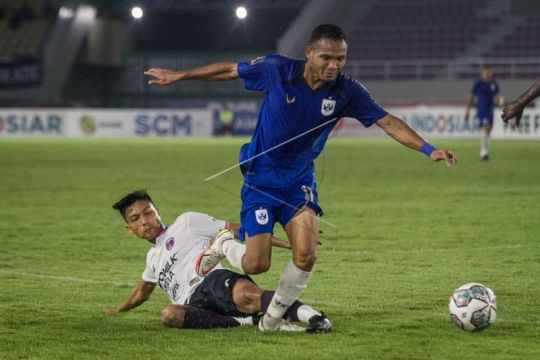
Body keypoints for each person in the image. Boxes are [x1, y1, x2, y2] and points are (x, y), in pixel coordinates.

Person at [144, 24, 457, 331]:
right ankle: (224, 246)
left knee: (306, 255)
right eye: (326, 58)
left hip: (298, 183)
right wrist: (179, 75)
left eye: (341, 59)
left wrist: (428, 149)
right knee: (256, 264)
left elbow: (388, 122)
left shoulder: (348, 91)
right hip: (260, 181)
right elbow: (229, 70)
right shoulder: (277, 69)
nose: (334, 65)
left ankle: (269, 322)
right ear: (309, 53)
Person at [104, 190, 332, 332]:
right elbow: (142, 292)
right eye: (135, 219)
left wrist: (287, 241)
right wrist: (119, 309)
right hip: (190, 302)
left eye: (148, 213)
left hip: (212, 280)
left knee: (249, 297)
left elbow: (238, 228)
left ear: (158, 212)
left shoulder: (186, 222)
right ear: (130, 228)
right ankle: (244, 322)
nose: (144, 221)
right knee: (169, 315)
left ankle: (314, 317)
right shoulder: (152, 258)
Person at [465, 65, 502, 161]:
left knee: (488, 131)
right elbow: (471, 97)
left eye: (490, 72)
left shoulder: (494, 84)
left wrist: (500, 105)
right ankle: (483, 152)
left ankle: (485, 151)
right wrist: (467, 111)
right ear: (482, 73)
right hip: (481, 110)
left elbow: (497, 97)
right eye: (487, 72)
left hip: (490, 110)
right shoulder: (478, 84)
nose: (488, 74)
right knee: (486, 127)